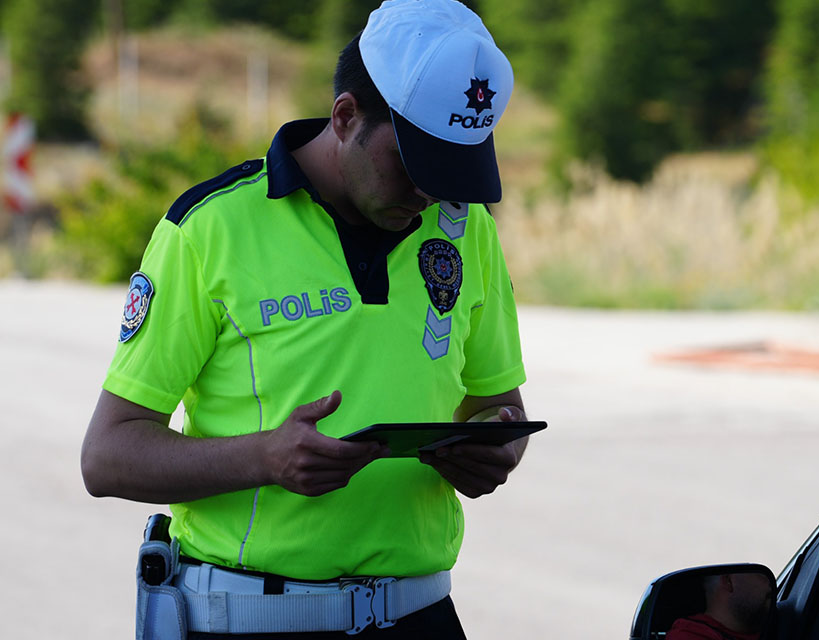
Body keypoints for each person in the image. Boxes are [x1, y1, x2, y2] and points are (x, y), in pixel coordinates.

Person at [80, 1, 528, 637]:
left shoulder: (465, 226)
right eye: (415, 166)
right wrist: (264, 458)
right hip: (252, 619)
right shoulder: (212, 229)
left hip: (422, 617)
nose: (430, 194)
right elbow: (107, 456)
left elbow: (497, 406)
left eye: (452, 171)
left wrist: (496, 446)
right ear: (346, 117)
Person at [665, 572, 774, 640]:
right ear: (728, 581)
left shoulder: (778, 624)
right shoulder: (688, 636)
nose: (770, 583)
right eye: (760, 574)